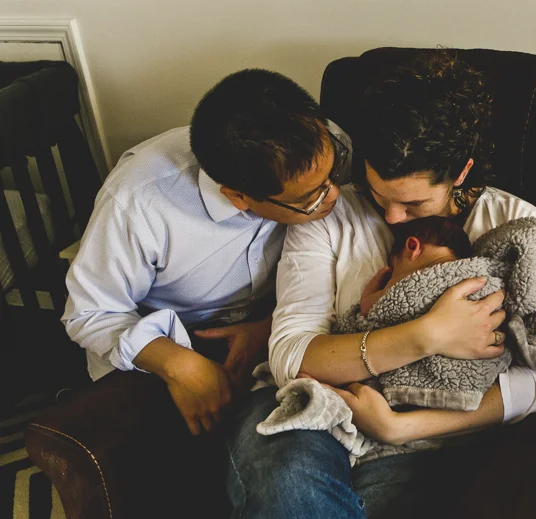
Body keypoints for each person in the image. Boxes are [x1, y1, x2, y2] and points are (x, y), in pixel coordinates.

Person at [223, 52, 536, 519]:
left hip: (418, 437)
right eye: (378, 193)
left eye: (411, 203)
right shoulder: (330, 216)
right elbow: (292, 353)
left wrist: (401, 427)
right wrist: (426, 335)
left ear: (460, 173)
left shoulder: (516, 229)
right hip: (305, 405)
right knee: (287, 475)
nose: (389, 218)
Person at [61, 68, 350, 435]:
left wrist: (269, 326)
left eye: (333, 177)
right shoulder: (139, 202)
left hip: (274, 321)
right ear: (238, 197)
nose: (334, 195)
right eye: (311, 199)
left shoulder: (323, 146)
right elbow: (89, 313)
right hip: (168, 340)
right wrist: (180, 365)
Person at [361, 215, 474, 316]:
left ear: (412, 247)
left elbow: (369, 308)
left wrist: (372, 292)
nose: (392, 279)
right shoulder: (472, 271)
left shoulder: (408, 282)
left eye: (394, 269)